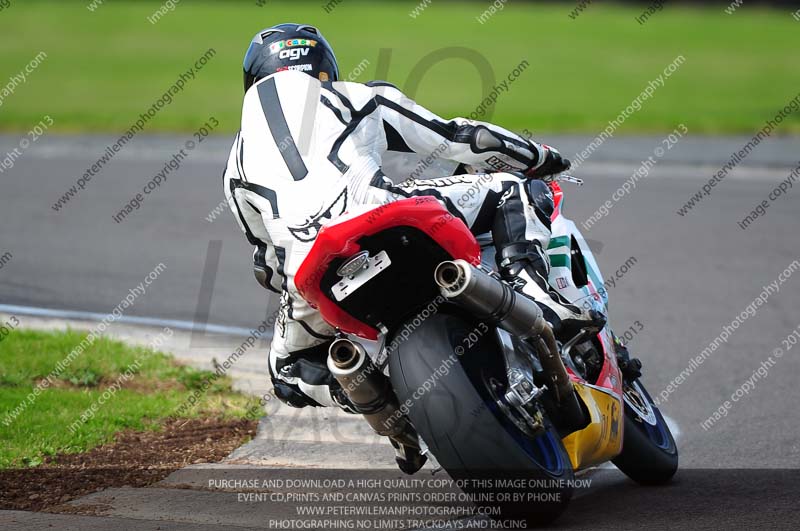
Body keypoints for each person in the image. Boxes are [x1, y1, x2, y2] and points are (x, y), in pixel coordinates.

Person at [223, 23, 604, 415]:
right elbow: (465, 140)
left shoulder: (233, 167)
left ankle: (385, 410)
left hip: (312, 269)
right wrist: (539, 158)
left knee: (285, 371)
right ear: (324, 69)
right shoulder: (356, 96)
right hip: (381, 214)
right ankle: (544, 302)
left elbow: (268, 267)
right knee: (511, 190)